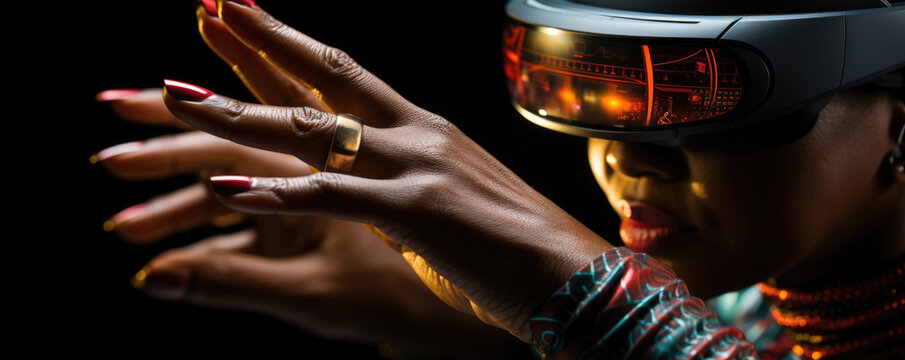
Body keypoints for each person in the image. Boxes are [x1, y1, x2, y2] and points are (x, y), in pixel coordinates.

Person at [93, 0, 904, 358]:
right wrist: (496, 328)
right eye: (589, 97)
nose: (623, 159)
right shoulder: (750, 300)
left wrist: (599, 308)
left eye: (702, 103)